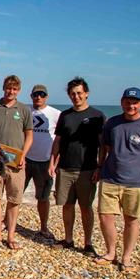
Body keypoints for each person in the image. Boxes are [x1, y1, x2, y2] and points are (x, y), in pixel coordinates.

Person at [94, 88, 140, 273]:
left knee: (131, 220)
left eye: (135, 102)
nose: (130, 105)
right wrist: (100, 167)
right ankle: (110, 252)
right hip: (110, 178)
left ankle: (126, 257)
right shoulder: (112, 123)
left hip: (136, 183)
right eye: (127, 101)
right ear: (121, 102)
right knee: (105, 217)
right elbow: (105, 147)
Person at [49, 77, 105, 256]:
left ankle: (88, 243)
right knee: (67, 205)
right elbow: (58, 140)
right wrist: (52, 162)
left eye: (79, 93)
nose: (76, 96)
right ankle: (68, 239)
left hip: (87, 169)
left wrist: (100, 166)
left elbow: (103, 145)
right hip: (65, 168)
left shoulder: (97, 116)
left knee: (86, 207)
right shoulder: (65, 115)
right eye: (73, 93)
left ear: (86, 93)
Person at [0, 75, 33, 250]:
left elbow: (29, 135)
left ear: (18, 90)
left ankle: (11, 236)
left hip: (16, 162)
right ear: (3, 88)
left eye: (14, 89)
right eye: (8, 88)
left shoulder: (24, 110)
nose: (11, 92)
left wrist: (24, 155)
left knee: (14, 199)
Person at [24, 84, 61, 239]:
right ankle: (7, 221)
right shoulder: (25, 111)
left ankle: (44, 227)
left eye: (41, 94)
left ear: (46, 96)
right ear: (31, 96)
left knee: (43, 197)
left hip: (45, 162)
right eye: (35, 94)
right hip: (25, 160)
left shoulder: (56, 114)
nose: (38, 97)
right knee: (15, 193)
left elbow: (60, 140)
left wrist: (56, 162)